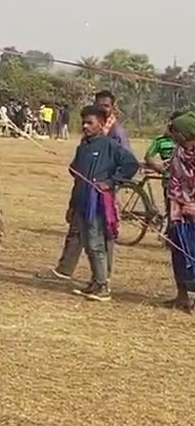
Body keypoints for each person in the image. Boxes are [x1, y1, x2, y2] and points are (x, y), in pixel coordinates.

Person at [45, 89, 132, 283]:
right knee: (77, 230)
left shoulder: (116, 134)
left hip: (102, 195)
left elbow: (127, 162)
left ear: (112, 107)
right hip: (83, 192)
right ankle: (65, 269)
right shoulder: (87, 136)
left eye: (106, 105)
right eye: (99, 104)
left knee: (101, 238)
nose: (102, 107)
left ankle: (102, 279)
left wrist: (110, 182)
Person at [65, 104, 139, 302]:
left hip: (97, 203)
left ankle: (103, 285)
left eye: (90, 123)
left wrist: (111, 182)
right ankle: (95, 281)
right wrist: (72, 205)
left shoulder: (110, 145)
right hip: (81, 200)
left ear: (102, 124)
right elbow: (76, 173)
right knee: (88, 244)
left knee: (97, 243)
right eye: (83, 122)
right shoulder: (83, 146)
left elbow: (131, 164)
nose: (85, 126)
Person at [162, 112, 195, 312]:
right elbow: (174, 183)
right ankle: (181, 295)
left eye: (177, 132)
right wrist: (175, 210)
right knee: (179, 252)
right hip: (179, 212)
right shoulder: (178, 153)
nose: (173, 134)